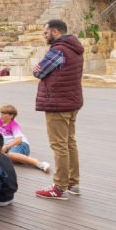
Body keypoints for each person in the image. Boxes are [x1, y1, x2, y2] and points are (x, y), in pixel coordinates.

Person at [33, 19, 84, 200]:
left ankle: (60, 187)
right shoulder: (75, 48)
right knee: (70, 142)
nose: (44, 36)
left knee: (59, 145)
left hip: (58, 104)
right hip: (72, 102)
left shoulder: (58, 50)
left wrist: (37, 68)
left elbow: (38, 71)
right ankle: (73, 183)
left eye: (46, 33)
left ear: (55, 32)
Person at [0, 104, 50, 173]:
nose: (1, 116)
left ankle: (40, 164)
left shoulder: (14, 125)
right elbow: (1, 135)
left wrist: (6, 147)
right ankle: (15, 157)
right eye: (1, 113)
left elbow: (19, 140)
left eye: (4, 114)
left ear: (11, 116)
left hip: (21, 145)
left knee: (11, 155)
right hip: (9, 146)